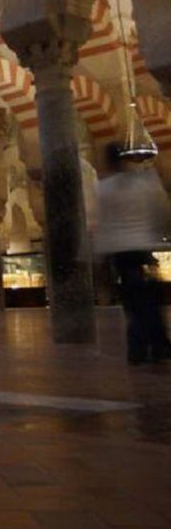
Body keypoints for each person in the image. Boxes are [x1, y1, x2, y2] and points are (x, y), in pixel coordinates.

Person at [95, 143, 171, 364]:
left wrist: (100, 258)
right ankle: (155, 344)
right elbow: (160, 213)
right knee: (148, 298)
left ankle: (139, 348)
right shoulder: (142, 183)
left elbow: (102, 225)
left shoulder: (104, 188)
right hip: (142, 248)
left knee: (133, 301)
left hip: (120, 253)